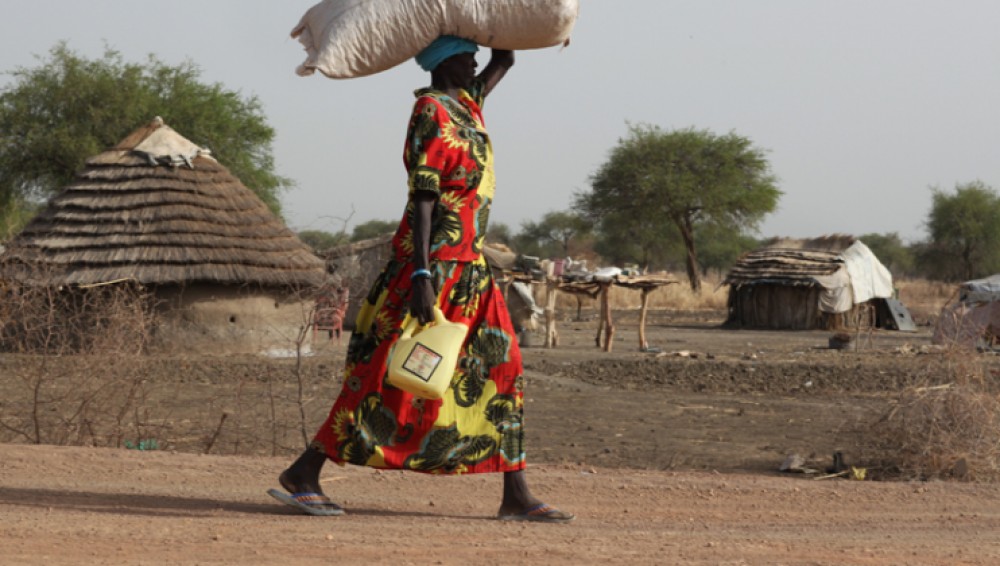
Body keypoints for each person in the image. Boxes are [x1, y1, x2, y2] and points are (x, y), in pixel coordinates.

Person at [268, 36, 574, 523]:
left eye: (474, 52)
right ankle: (304, 473)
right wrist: (422, 274)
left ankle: (515, 492)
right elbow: (423, 196)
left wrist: (507, 24)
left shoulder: (468, 104)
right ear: (440, 61)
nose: (474, 58)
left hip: (471, 265)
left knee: (503, 369)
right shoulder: (431, 111)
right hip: (434, 266)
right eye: (463, 52)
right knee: (386, 373)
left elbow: (506, 56)